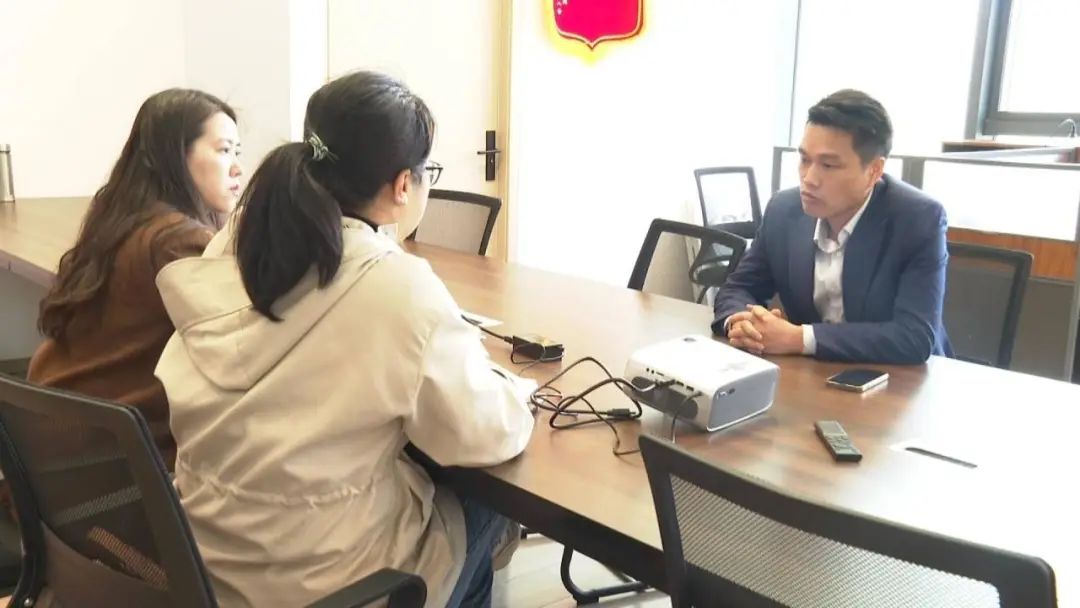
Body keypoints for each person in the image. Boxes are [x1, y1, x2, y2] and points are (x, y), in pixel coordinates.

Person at [154, 71, 536, 607]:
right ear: (403, 186)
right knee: (485, 505)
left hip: (212, 567)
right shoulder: (396, 286)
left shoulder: (236, 244)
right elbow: (482, 434)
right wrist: (514, 390)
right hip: (329, 585)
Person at [28, 89, 242, 468]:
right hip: (112, 460)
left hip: (56, 449)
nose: (238, 168)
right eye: (224, 150)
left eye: (237, 152)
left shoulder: (121, 218)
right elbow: (234, 352)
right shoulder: (176, 240)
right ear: (176, 157)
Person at [713, 89, 952, 365]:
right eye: (805, 160)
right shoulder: (783, 210)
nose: (809, 179)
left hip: (907, 380)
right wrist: (742, 324)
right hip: (813, 375)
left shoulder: (918, 219)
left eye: (828, 165)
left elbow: (913, 336)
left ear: (874, 171)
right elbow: (737, 288)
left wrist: (799, 338)